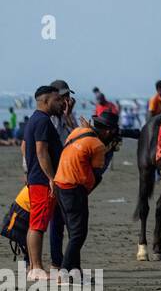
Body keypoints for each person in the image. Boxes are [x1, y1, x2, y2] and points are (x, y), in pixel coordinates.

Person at [53, 110, 121, 277]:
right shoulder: (97, 146)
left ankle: (75, 271)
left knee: (72, 230)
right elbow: (97, 174)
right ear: (108, 131)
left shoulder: (78, 131)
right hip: (74, 189)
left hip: (59, 184)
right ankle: (64, 271)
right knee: (79, 234)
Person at [19, 85, 67, 280]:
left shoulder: (37, 119)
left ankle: (33, 266)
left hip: (37, 178)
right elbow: (41, 151)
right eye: (57, 100)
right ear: (46, 101)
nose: (61, 103)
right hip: (41, 180)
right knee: (38, 224)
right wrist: (51, 178)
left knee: (36, 223)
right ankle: (36, 268)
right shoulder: (42, 121)